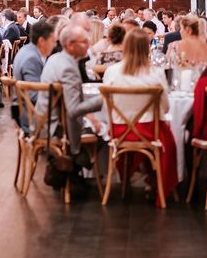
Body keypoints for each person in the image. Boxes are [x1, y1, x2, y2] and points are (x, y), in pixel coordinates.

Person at [101, 28, 178, 206]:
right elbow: (165, 108)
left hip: (119, 131)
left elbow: (106, 108)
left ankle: (133, 177)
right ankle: (154, 180)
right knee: (170, 140)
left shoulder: (112, 72)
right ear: (147, 48)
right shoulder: (155, 73)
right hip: (150, 131)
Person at [38, 25, 102, 158]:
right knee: (108, 131)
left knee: (98, 122)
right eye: (84, 42)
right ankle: (82, 167)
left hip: (43, 120)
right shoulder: (68, 68)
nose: (88, 44)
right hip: (57, 128)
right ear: (70, 45)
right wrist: (105, 99)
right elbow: (73, 110)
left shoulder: (55, 58)